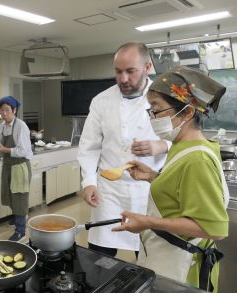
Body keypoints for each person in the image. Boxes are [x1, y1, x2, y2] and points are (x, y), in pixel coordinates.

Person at [113, 66, 229, 292]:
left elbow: (214, 228)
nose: (152, 118)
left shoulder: (197, 159)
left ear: (187, 112)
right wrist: (153, 177)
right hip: (166, 257)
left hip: (182, 267)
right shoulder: (183, 146)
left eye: (156, 109)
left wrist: (147, 222)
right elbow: (183, 193)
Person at [77, 42, 169, 257]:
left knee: (147, 254)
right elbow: (89, 147)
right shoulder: (101, 101)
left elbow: (183, 139)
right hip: (108, 192)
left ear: (147, 68)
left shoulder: (164, 98)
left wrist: (161, 145)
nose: (123, 79)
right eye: (118, 72)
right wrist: (89, 182)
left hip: (148, 191)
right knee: (99, 256)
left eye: (130, 71)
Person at [0, 96, 32, 242]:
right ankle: (17, 218)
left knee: (19, 197)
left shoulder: (21, 126)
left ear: (14, 110)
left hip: (20, 165)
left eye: (7, 110)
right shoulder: (2, 126)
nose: (4, 113)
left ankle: (20, 230)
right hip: (8, 165)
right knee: (9, 193)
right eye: (1, 110)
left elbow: (22, 150)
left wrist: (5, 149)